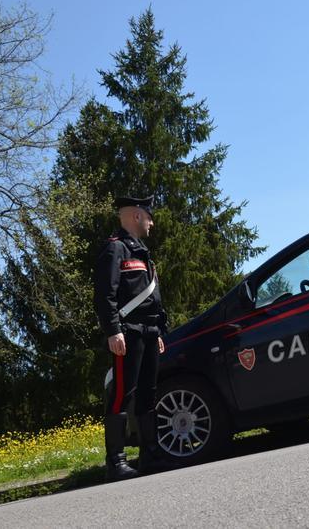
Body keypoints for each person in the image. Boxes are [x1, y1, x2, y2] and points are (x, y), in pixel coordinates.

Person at [94, 195, 169, 481]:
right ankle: (116, 462)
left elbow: (154, 298)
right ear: (137, 216)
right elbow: (105, 295)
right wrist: (113, 330)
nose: (151, 222)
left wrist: (160, 330)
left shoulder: (142, 252)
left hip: (149, 333)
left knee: (148, 396)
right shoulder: (115, 250)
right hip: (128, 334)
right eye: (148, 216)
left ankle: (151, 455)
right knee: (121, 396)